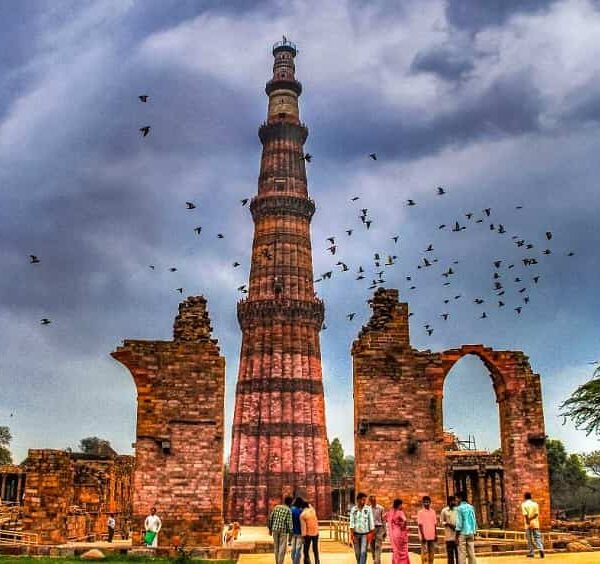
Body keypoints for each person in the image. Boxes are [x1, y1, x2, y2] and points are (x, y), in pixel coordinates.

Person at [349, 492, 374, 564]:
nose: (364, 502)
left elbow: (371, 521)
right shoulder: (353, 509)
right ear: (358, 500)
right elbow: (351, 522)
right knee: (357, 553)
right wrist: (352, 534)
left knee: (363, 552)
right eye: (362, 500)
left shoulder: (368, 509)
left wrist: (371, 533)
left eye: (365, 500)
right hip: (356, 534)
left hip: (365, 534)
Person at [268, 495, 293, 564]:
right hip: (283, 530)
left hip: (275, 529)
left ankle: (277, 562)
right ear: (290, 503)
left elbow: (271, 518)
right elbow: (289, 524)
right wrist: (290, 537)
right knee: (282, 548)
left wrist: (270, 529)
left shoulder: (277, 507)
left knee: (276, 547)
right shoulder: (288, 510)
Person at [455, 491, 477, 564]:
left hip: (462, 533)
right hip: (471, 532)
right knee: (471, 552)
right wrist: (474, 531)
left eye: (457, 499)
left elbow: (459, 524)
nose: (456, 500)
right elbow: (473, 520)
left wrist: (456, 536)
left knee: (462, 553)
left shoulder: (459, 508)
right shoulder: (471, 507)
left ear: (460, 498)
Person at [386, 498, 409, 564]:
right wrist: (403, 526)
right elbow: (405, 520)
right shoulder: (400, 512)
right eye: (401, 505)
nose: (402, 506)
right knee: (402, 550)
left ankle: (395, 562)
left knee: (396, 550)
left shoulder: (390, 512)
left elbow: (383, 517)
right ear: (399, 505)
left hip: (393, 533)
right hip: (399, 532)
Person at [521, 492, 544, 559]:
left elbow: (525, 514)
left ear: (525, 497)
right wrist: (531, 519)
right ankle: (541, 549)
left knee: (529, 538)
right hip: (535, 523)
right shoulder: (535, 504)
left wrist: (528, 520)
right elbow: (536, 514)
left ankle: (531, 552)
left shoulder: (523, 504)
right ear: (531, 497)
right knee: (537, 537)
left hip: (527, 523)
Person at [417, 496, 438, 564]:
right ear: (423, 503)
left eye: (428, 502)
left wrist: (436, 534)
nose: (426, 503)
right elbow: (420, 524)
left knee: (432, 552)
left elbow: (435, 524)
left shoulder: (433, 512)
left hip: (432, 535)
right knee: (424, 552)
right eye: (425, 502)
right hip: (424, 536)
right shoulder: (420, 512)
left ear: (430, 502)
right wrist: (422, 536)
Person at [440, 496, 458, 564]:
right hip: (448, 536)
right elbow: (441, 521)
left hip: (457, 536)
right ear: (449, 502)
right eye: (453, 501)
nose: (454, 502)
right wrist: (448, 524)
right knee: (450, 556)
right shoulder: (444, 511)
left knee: (458, 555)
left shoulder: (457, 510)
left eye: (455, 501)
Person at [368, 495, 386, 564]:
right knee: (372, 546)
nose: (373, 502)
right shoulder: (368, 509)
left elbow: (383, 520)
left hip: (379, 528)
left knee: (378, 546)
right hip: (371, 529)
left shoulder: (381, 508)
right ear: (370, 501)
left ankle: (376, 561)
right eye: (372, 501)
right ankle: (376, 558)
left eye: (374, 500)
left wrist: (385, 531)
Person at [290, 497, 305, 564]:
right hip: (299, 532)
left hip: (293, 532)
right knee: (298, 549)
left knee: (293, 549)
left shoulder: (291, 510)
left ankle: (294, 561)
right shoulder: (301, 511)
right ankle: (296, 563)